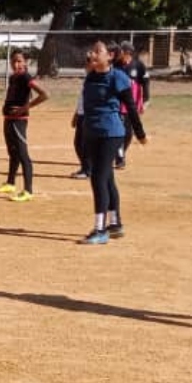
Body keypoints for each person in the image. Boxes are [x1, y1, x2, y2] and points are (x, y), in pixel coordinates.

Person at [77, 40, 145, 244]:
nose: (93, 53)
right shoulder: (90, 78)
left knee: (98, 177)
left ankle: (100, 229)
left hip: (111, 132)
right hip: (92, 132)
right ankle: (115, 224)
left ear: (110, 56)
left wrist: (140, 133)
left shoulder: (117, 77)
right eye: (92, 50)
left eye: (98, 51)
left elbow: (131, 106)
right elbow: (87, 106)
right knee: (107, 178)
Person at [0, 49, 48, 201]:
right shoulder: (13, 78)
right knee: (12, 152)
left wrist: (25, 108)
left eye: (19, 61)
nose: (16, 64)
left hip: (19, 121)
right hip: (9, 118)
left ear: (25, 62)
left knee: (23, 154)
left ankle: (28, 190)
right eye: (13, 61)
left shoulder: (25, 77)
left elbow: (44, 95)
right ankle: (10, 183)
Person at [114, 42, 145, 170]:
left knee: (128, 133)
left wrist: (143, 101)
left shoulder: (138, 65)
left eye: (122, 51)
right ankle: (120, 159)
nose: (119, 53)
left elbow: (144, 84)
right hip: (119, 104)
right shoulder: (116, 65)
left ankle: (121, 153)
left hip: (131, 105)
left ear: (128, 53)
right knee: (120, 133)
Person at [70, 48, 95, 179]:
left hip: (89, 115)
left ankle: (88, 170)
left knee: (84, 144)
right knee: (78, 143)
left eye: (89, 61)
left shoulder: (97, 78)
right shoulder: (88, 78)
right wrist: (76, 114)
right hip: (82, 114)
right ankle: (85, 168)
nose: (86, 64)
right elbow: (82, 98)